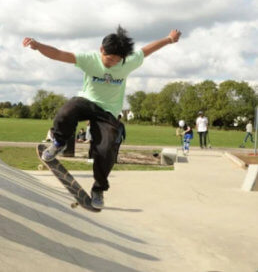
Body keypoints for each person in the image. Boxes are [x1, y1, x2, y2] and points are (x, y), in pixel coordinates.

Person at [23, 26, 181, 208]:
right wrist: (38, 45)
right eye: (108, 58)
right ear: (101, 50)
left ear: (123, 58)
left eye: (116, 61)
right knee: (66, 112)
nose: (111, 63)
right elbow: (59, 54)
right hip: (86, 101)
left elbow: (147, 50)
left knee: (106, 149)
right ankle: (59, 143)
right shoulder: (89, 59)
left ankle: (98, 189)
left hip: (108, 112)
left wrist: (169, 39)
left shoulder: (129, 61)